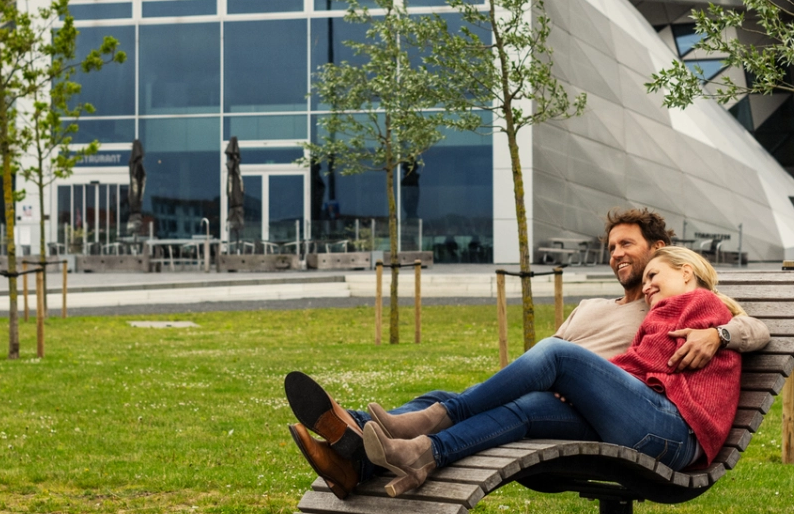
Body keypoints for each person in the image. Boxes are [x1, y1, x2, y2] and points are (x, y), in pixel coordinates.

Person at [285, 207, 769, 498]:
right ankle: (366, 451)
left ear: (668, 256)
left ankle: (411, 426)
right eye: (612, 246)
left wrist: (721, 335)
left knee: (553, 356)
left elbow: (746, 324)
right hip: (585, 403)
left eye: (631, 247)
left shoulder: (678, 304)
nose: (620, 255)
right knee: (513, 397)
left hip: (647, 423)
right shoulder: (602, 304)